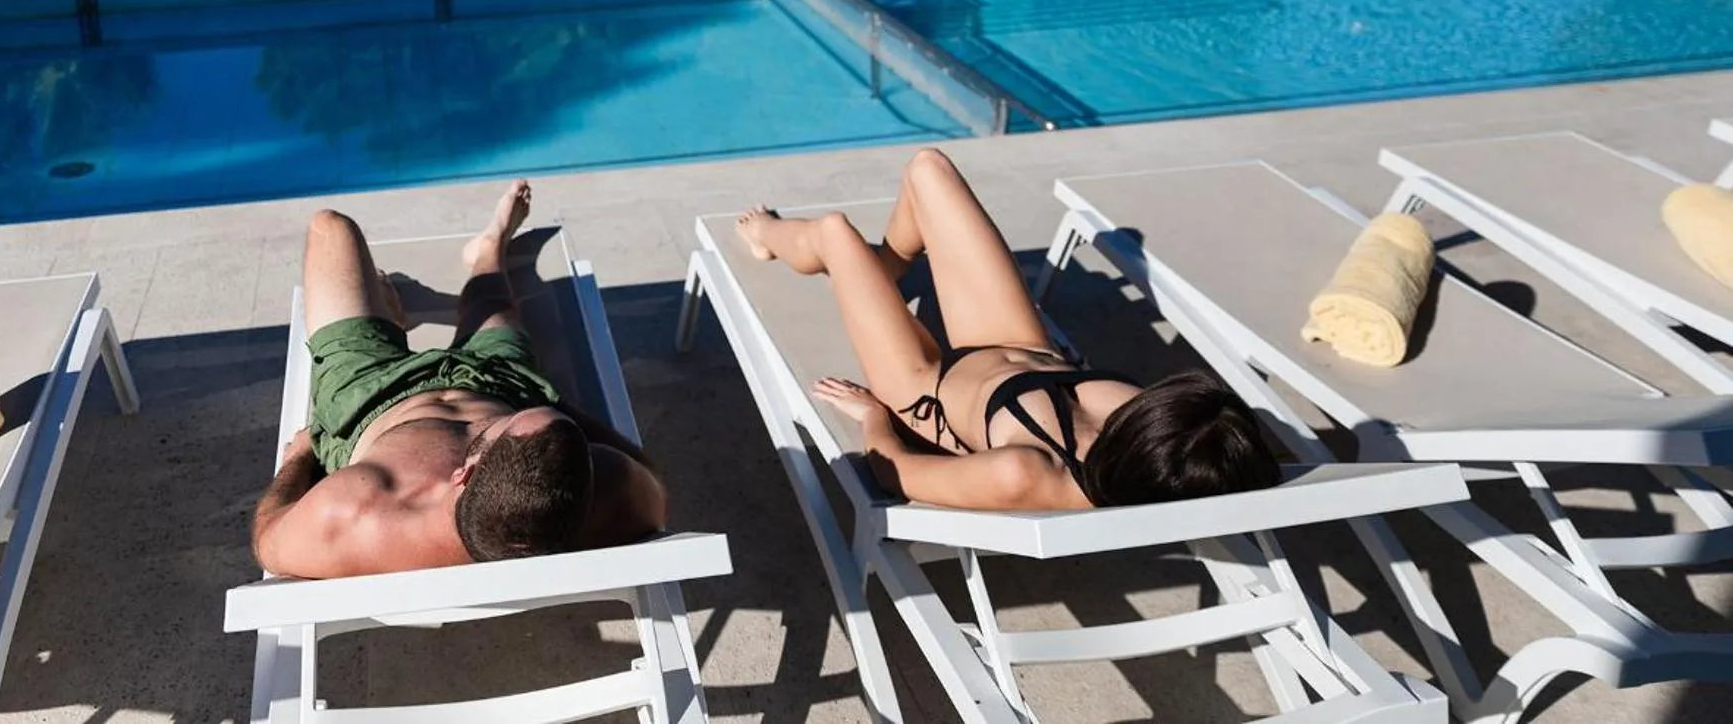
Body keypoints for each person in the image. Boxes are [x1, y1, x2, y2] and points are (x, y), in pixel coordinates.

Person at [735, 148, 1282, 512]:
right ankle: (885, 268)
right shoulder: (1184, 445)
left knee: (834, 234)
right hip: (1018, 345)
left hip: (924, 388)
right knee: (929, 169)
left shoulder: (1024, 474)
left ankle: (767, 235)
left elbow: (892, 472)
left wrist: (877, 416)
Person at [253, 181, 668, 578]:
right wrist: (550, 412)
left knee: (331, 227)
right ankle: (490, 249)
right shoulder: (607, 490)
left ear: (461, 473)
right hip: (500, 381)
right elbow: (651, 477)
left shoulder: (358, 513)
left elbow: (267, 537)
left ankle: (388, 320)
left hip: (369, 393)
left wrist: (298, 460)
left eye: (497, 427)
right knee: (491, 302)